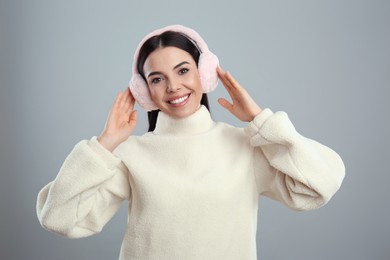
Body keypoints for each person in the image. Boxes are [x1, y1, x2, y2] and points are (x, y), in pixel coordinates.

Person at [36, 24, 345, 260]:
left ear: (204, 73)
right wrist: (104, 144)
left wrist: (260, 121)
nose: (173, 86)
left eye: (183, 70)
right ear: (145, 92)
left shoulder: (245, 145)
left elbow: (320, 185)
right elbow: (58, 218)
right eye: (157, 79)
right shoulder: (131, 154)